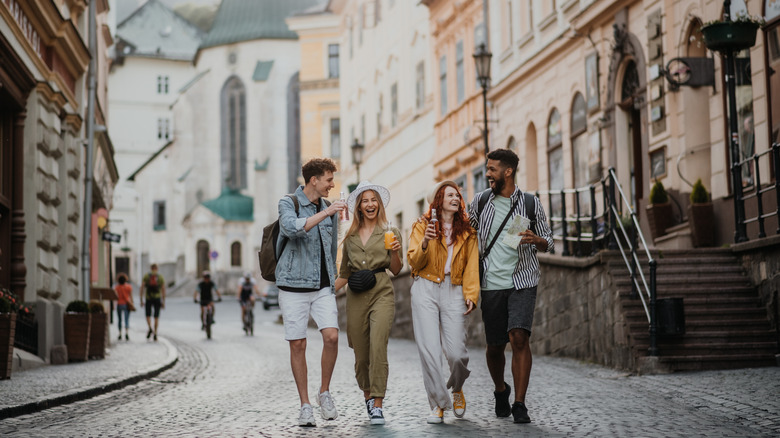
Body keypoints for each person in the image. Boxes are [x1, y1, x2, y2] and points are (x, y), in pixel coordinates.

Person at [468, 149, 553, 424]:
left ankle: (519, 403)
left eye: (492, 169)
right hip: (491, 282)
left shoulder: (530, 203)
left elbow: (549, 241)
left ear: (508, 172)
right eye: (487, 169)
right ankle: (500, 389)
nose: (488, 174)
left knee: (519, 337)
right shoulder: (480, 202)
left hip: (522, 280)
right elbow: (464, 234)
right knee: (495, 346)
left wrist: (536, 240)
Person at [276, 157, 346, 427]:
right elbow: (291, 228)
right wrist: (326, 214)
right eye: (329, 179)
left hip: (322, 286)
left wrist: (334, 279)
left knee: (331, 337)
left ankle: (324, 392)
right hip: (292, 285)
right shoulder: (288, 203)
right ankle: (305, 405)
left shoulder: (329, 207)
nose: (332, 185)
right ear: (314, 180)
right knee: (298, 344)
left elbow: (332, 248)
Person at [407, 180, 479, 424]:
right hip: (425, 287)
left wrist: (471, 294)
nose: (455, 198)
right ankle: (438, 403)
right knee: (430, 351)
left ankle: (457, 388)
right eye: (449, 195)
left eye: (457, 195)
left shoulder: (468, 232)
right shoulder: (422, 226)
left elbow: (472, 267)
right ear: (438, 200)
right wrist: (426, 242)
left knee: (457, 354)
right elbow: (414, 264)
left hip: (455, 288)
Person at [335, 181, 403, 426]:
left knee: (378, 346)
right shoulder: (350, 236)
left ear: (379, 204)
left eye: (374, 200)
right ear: (359, 207)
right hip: (356, 297)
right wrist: (323, 294)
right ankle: (367, 395)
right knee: (361, 354)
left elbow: (396, 269)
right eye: (365, 200)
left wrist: (394, 251)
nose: (370, 204)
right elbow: (344, 274)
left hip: (382, 291)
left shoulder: (390, 232)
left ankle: (377, 404)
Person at [139, 264, 166, 342]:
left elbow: (142, 287)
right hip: (157, 298)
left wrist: (141, 299)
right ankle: (155, 333)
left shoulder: (147, 276)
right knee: (156, 316)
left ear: (151, 268)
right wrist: (163, 301)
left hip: (148, 298)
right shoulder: (160, 277)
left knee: (148, 315)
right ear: (157, 268)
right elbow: (163, 289)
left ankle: (150, 328)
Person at [114, 273, 134, 341]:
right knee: (126, 319)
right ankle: (126, 333)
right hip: (126, 304)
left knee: (119, 319)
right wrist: (132, 303)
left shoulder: (116, 287)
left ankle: (120, 333)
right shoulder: (128, 287)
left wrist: (114, 306)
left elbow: (115, 297)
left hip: (119, 304)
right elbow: (131, 296)